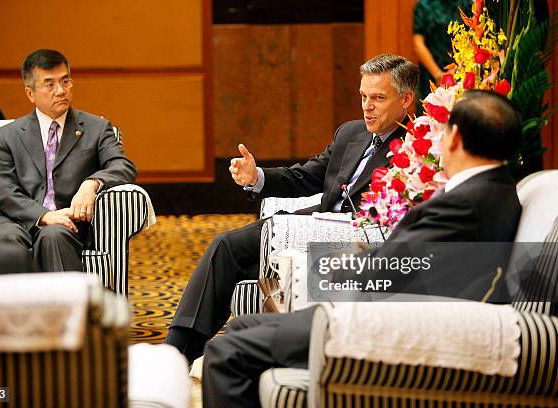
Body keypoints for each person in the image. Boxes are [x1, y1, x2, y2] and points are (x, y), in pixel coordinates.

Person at [202, 90, 523, 408]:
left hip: (389, 326)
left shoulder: (466, 202)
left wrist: (349, 258)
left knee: (225, 351)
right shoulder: (495, 190)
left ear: (453, 139)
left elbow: (389, 270)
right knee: (241, 326)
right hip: (402, 310)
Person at [165, 54, 419, 363]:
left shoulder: (416, 149)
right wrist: (256, 177)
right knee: (226, 246)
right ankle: (177, 351)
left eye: (378, 98)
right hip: (307, 225)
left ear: (406, 99)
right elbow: (306, 177)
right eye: (363, 96)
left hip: (354, 240)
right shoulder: (351, 133)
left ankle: (194, 354)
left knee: (233, 250)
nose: (367, 106)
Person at [0, 49, 137, 272]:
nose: (61, 91)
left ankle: (64, 307)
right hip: (13, 220)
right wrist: (43, 215)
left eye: (66, 81)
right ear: (30, 93)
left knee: (54, 235)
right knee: (7, 239)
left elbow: (123, 165)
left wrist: (92, 183)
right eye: (50, 84)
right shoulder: (8, 135)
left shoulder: (96, 128)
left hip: (67, 222)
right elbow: (2, 189)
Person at [413, 0, 470, 112]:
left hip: (460, 72)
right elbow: (418, 44)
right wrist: (438, 75)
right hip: (430, 75)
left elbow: (472, 37)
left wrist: (455, 71)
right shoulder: (423, 5)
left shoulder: (465, 4)